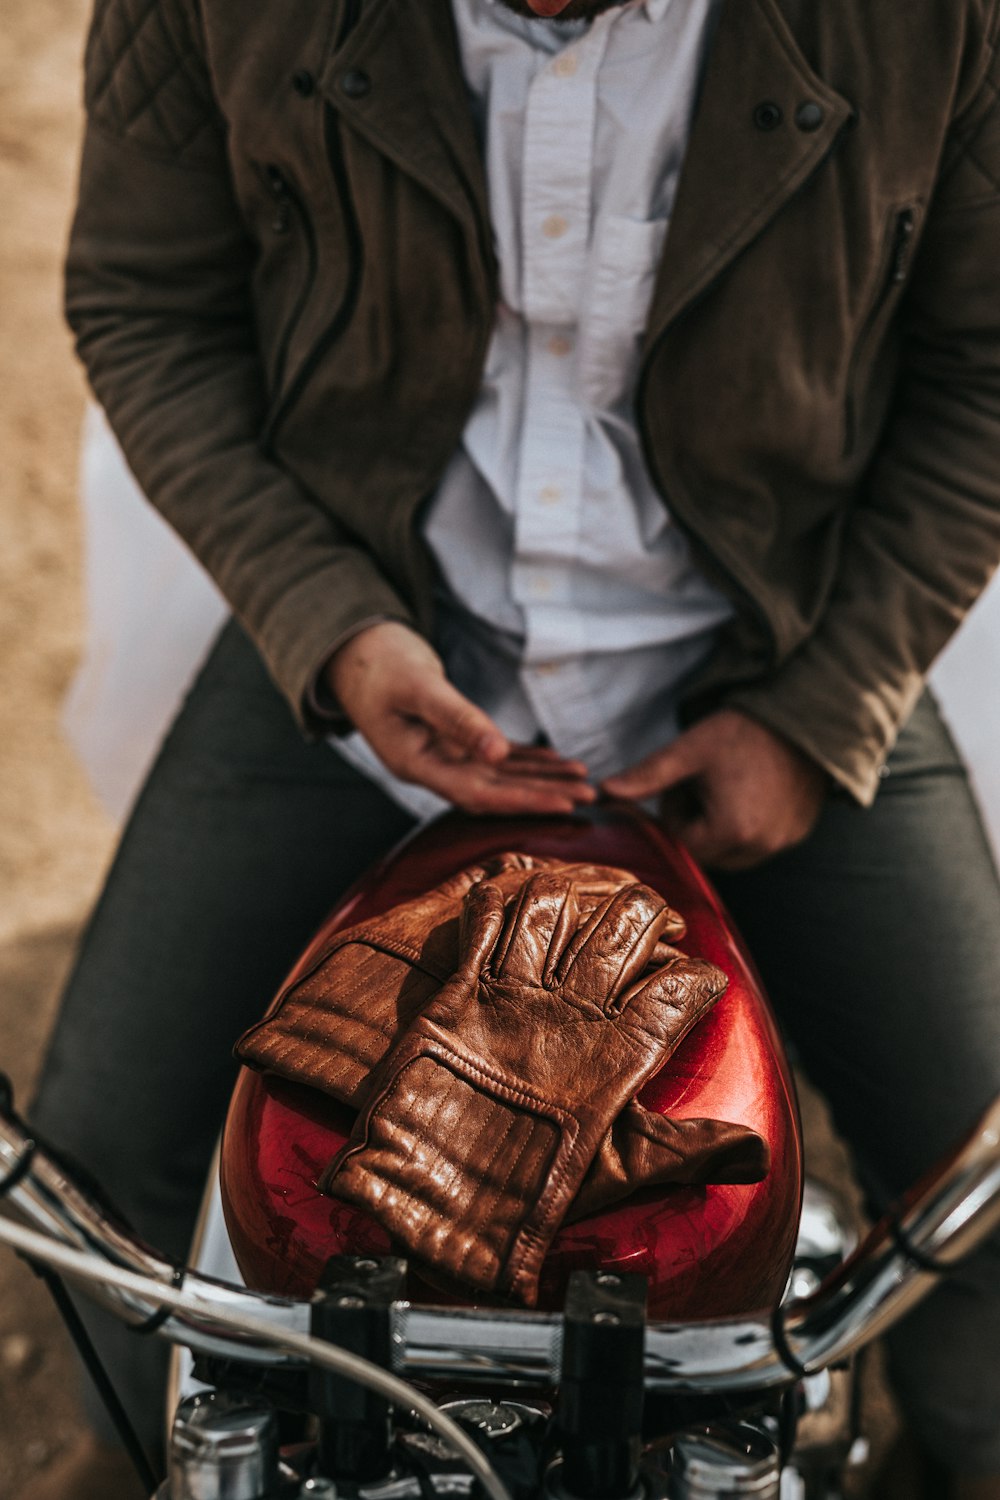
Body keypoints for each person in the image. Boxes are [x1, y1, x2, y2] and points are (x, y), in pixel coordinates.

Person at [25, 0, 1000, 1494]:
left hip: (787, 637)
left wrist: (827, 708)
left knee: (981, 1191)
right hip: (362, 632)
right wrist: (326, 623)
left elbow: (984, 371)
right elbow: (144, 307)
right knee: (91, 1179)